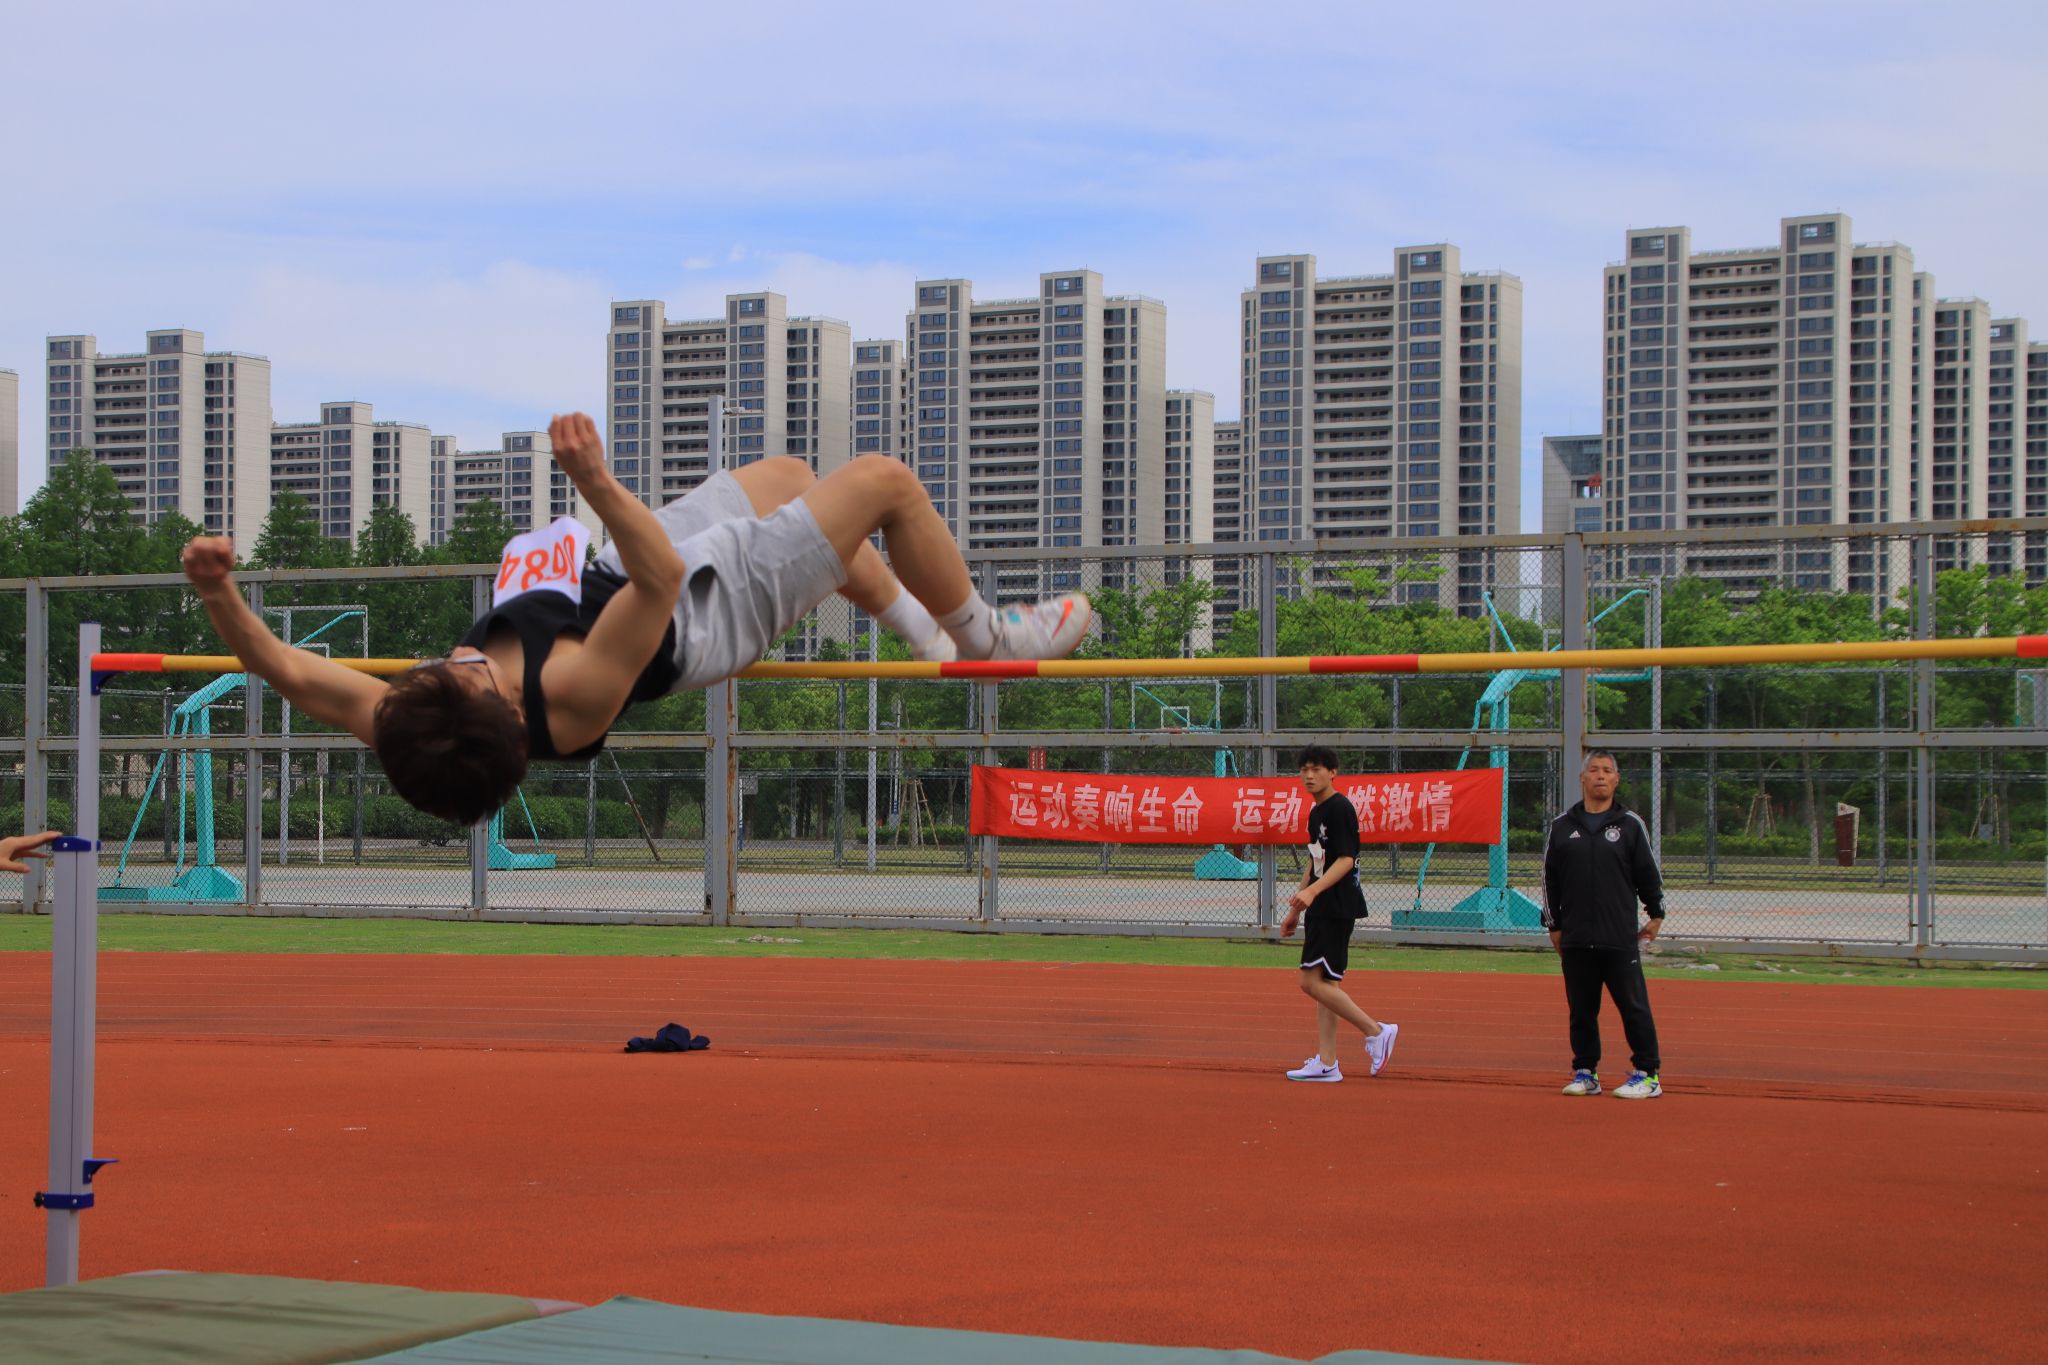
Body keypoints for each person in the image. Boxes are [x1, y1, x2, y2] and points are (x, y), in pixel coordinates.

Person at [180, 414, 1091, 825]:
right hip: (700, 611)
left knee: (789, 480)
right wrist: (596, 482)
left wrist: (218, 588)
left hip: (616, 573)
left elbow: (284, 669)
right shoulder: (567, 695)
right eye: (462, 675)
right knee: (882, 483)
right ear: (501, 710)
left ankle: (922, 634)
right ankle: (985, 640)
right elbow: (659, 580)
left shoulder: (409, 718)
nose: (446, 663)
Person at [1541, 749, 1665, 1099]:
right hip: (1577, 937)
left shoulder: (1629, 825)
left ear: (1616, 779)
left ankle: (1647, 1073)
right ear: (1582, 778)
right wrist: (1554, 925)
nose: (1599, 775)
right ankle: (1586, 1072)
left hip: (1618, 936)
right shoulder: (1562, 827)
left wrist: (1656, 913)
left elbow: (1648, 874)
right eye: (1593, 770)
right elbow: (1549, 879)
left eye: (1607, 771)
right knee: (1581, 1011)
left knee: (1633, 1006)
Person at [1279, 745, 1397, 1082]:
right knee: (1326, 982)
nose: (1309, 775)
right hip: (1321, 906)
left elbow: (1346, 859)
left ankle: (1376, 1031)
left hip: (1336, 905)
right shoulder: (1316, 813)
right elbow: (1316, 860)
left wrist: (1314, 892)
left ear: (1333, 772)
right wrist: (1296, 909)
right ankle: (1327, 1063)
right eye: (1304, 769)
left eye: (1316, 768)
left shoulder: (1339, 809)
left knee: (1310, 981)